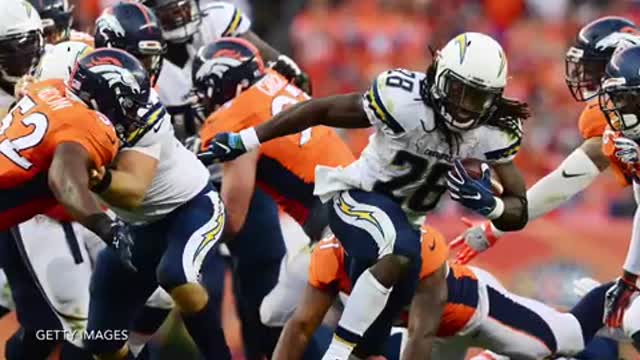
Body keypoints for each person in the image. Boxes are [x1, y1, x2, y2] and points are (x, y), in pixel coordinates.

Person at [204, 32, 530, 359]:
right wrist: (247, 139)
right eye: (457, 89)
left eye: (475, 97)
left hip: (405, 227)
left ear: (492, 99)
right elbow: (321, 110)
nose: (462, 104)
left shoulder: (493, 134)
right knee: (397, 248)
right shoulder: (403, 99)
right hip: (353, 199)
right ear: (438, 75)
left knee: (368, 342)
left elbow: (519, 209)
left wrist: (492, 205)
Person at [141, 1, 299, 357]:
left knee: (264, 289)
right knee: (194, 287)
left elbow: (280, 70)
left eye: (182, 6)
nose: (179, 17)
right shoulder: (139, 47)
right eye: (167, 11)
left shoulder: (218, 19)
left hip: (239, 166)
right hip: (179, 185)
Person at [451, 16, 640, 264]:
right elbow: (567, 179)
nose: (592, 82)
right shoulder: (614, 121)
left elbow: (567, 180)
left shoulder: (613, 116)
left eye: (597, 72)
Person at [76, 48, 226, 360]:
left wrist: (100, 181)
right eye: (126, 104)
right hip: (136, 226)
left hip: (190, 207)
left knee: (175, 275)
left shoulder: (145, 114)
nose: (134, 109)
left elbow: (134, 190)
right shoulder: (71, 110)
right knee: (102, 343)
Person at [275, 228, 622, 360]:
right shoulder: (329, 256)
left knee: (569, 338)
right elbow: (300, 326)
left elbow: (421, 334)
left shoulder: (416, 251)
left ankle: (622, 296)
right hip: (416, 335)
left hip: (469, 310)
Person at [196, 37, 355, 243]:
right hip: (356, 196)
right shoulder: (276, 81)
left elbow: (230, 223)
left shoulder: (235, 122)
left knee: (294, 273)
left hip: (334, 221)